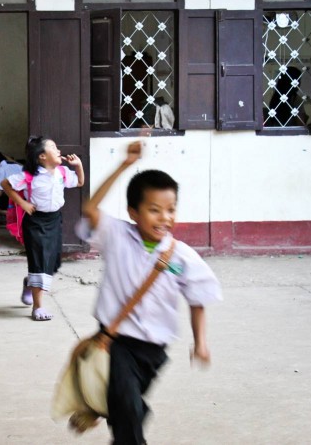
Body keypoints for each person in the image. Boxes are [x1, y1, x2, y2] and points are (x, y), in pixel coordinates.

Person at [78, 140, 222, 444]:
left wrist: (201, 342)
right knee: (126, 407)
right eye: (154, 210)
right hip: (115, 341)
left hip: (154, 350)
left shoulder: (180, 255)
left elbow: (198, 300)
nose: (164, 218)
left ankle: (129, 412)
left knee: (126, 405)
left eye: (170, 210)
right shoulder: (116, 235)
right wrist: (124, 164)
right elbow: (90, 208)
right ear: (133, 212)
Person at [1, 137, 84, 321]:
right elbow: (6, 184)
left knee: (49, 261)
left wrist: (78, 166)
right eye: (53, 147)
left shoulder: (62, 172)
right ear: (42, 157)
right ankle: (38, 308)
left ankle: (30, 283)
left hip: (54, 220)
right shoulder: (29, 176)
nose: (58, 150)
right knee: (38, 260)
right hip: (35, 222)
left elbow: (79, 182)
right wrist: (22, 203)